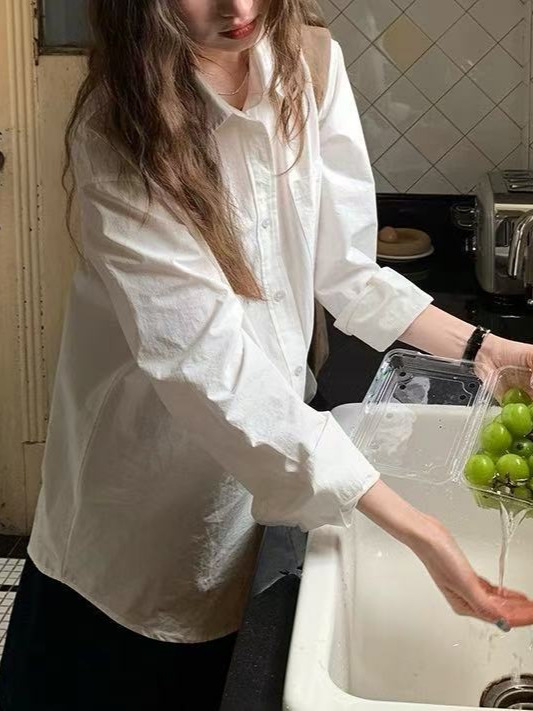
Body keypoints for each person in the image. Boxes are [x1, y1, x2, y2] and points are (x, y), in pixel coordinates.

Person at [2, 1, 533, 709]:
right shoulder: (116, 130)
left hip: (266, 478)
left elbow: (345, 269)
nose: (242, 9)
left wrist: (484, 349)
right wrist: (416, 526)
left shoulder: (310, 63)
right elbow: (209, 369)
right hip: (140, 517)